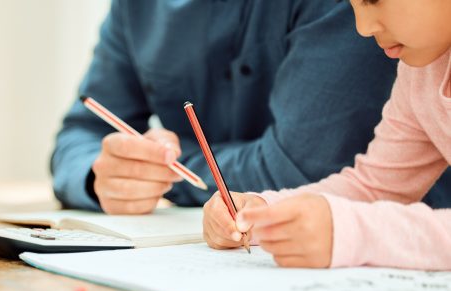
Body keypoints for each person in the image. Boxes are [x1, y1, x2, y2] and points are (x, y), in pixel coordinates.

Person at [51, 0, 424, 215]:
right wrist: (101, 177)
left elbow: (297, 170)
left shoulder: (355, 8)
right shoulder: (138, 8)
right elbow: (81, 134)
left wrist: (167, 172)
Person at [203, 0, 451, 271]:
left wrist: (354, 233)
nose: (363, 28)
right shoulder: (422, 71)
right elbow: (375, 186)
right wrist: (263, 211)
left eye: (374, 0)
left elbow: (358, 220)